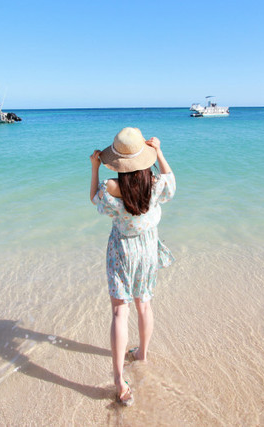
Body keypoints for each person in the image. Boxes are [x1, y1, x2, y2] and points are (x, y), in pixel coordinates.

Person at [89, 127, 176, 406]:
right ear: (144, 157)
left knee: (119, 311)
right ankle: (142, 355)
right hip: (148, 249)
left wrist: (94, 168)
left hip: (122, 251)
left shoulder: (112, 189)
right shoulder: (156, 184)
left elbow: (95, 200)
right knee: (144, 305)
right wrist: (160, 152)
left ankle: (119, 380)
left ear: (117, 161)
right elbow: (171, 183)